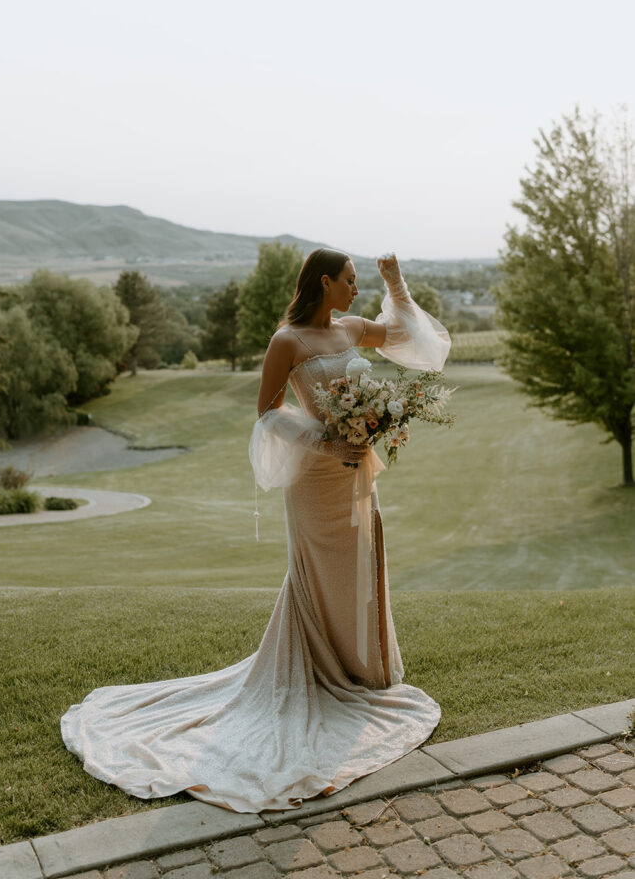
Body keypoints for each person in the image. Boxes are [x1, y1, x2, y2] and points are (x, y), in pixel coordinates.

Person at [61, 249, 451, 814]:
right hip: (317, 477)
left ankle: (366, 672)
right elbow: (266, 412)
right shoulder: (286, 341)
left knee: (363, 562)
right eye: (351, 280)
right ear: (325, 282)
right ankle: (320, 668)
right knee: (320, 573)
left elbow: (411, 338)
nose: (357, 289)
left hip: (357, 470)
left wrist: (396, 280)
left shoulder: (351, 329)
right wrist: (327, 438)